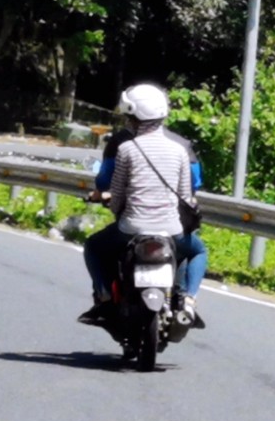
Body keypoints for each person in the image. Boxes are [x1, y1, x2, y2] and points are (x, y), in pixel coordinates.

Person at [80, 82, 205, 328]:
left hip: (131, 228)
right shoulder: (180, 150)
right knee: (198, 250)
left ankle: (104, 297)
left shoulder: (125, 148)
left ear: (133, 116)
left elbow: (115, 196)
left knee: (93, 247)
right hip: (171, 229)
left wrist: (117, 208)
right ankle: (189, 300)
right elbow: (185, 196)